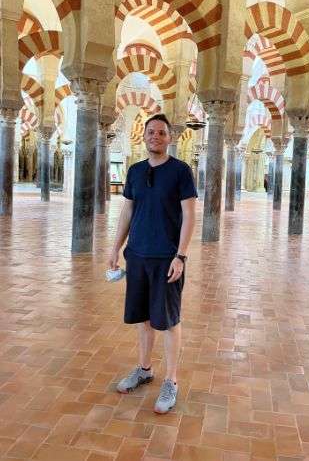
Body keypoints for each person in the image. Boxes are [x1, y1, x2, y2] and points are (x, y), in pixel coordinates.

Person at [108, 113, 197, 414]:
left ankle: (171, 380)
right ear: (143, 136)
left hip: (166, 259)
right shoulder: (134, 171)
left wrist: (181, 255)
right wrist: (116, 248)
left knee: (169, 321)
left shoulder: (181, 171)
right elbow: (127, 213)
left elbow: (189, 216)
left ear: (170, 138)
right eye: (150, 132)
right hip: (138, 255)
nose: (155, 137)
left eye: (161, 133)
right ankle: (144, 369)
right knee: (145, 318)